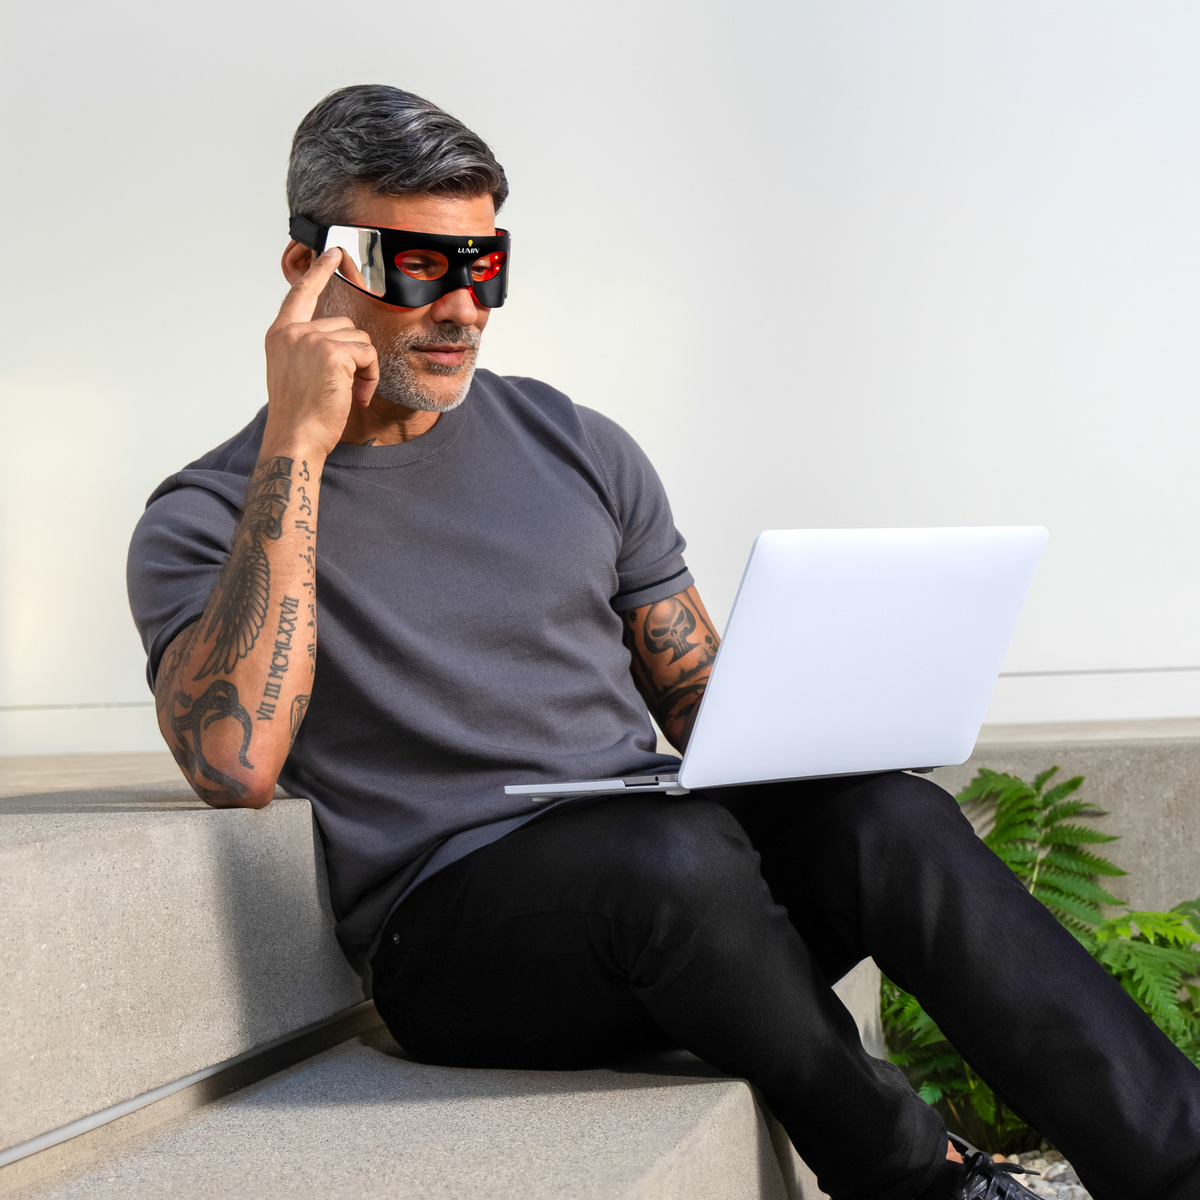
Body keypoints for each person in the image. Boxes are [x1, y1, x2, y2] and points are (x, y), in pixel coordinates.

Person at [126, 85, 1200, 1200]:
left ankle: (1179, 1166)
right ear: (310, 270)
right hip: (459, 948)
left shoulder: (574, 443)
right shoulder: (206, 517)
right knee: (669, 857)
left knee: (894, 818)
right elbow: (234, 762)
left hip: (686, 895)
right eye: (418, 268)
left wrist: (847, 722)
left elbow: (702, 708)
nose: (463, 309)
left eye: (485, 267)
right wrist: (297, 445)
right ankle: (923, 1178)